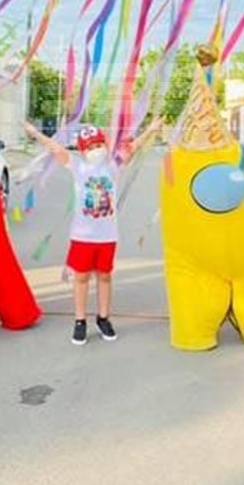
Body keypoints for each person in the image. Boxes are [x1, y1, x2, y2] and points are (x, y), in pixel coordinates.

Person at [25, 118, 162, 345]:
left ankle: (103, 318)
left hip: (107, 236)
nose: (95, 150)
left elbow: (132, 147)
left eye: (98, 145)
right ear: (82, 150)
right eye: (89, 147)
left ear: (105, 145)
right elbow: (56, 148)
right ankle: (80, 321)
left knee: (105, 277)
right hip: (83, 236)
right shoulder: (78, 166)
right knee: (81, 278)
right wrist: (34, 133)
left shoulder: (112, 167)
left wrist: (150, 130)